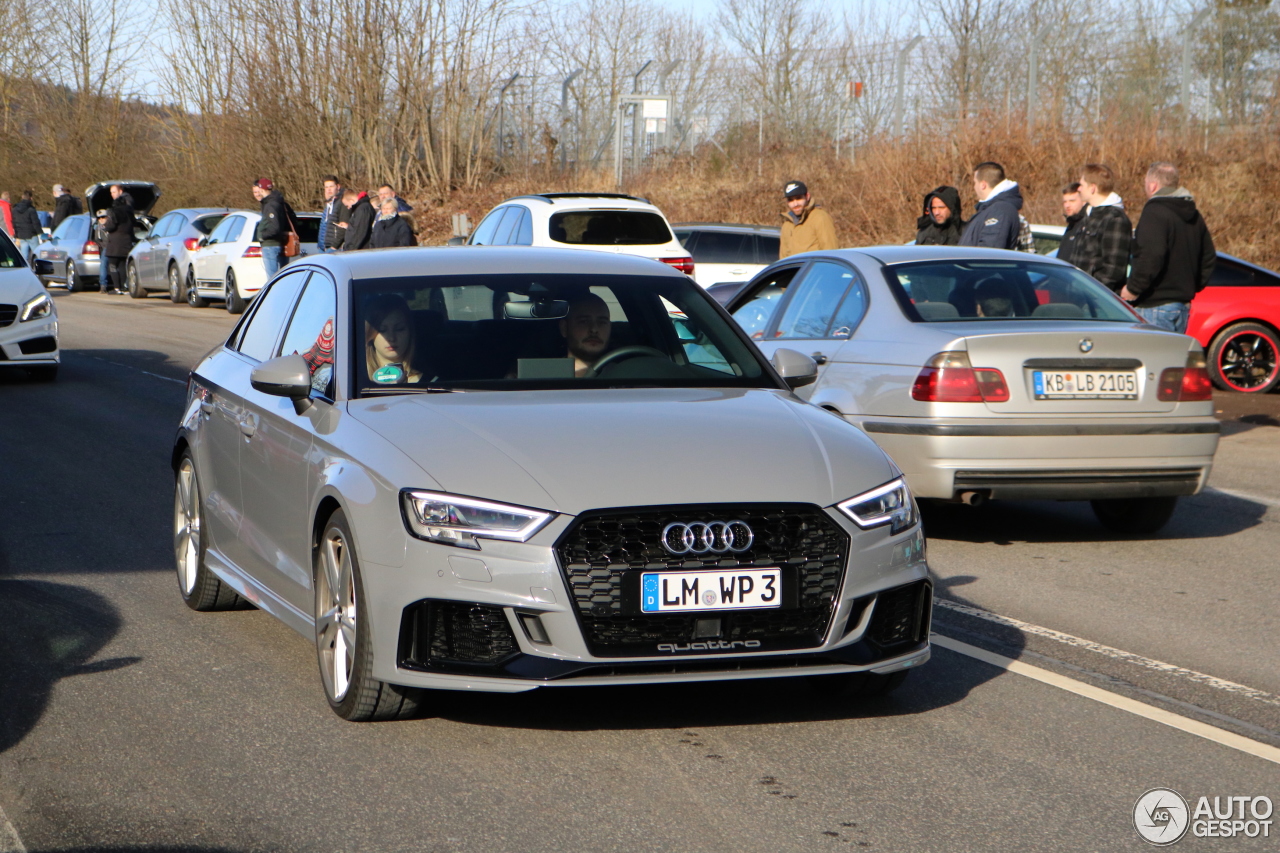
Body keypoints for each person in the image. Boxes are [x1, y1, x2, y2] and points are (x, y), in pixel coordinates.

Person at [1121, 162, 1216, 333]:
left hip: (1154, 305)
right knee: (1172, 358)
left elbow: (1151, 255)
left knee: (1154, 358)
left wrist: (1133, 289)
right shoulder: (1194, 215)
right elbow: (1208, 256)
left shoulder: (1155, 212)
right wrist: (1192, 286)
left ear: (1153, 185)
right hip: (1181, 305)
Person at [1070, 163, 1131, 293]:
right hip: (1077, 294)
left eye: (1081, 185)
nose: (1078, 189)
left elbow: (1113, 268)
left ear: (1093, 188)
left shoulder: (1115, 219)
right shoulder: (1086, 215)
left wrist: (1092, 291)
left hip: (1096, 299)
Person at [959, 162, 1024, 250]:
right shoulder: (991, 209)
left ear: (983, 185)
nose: (974, 187)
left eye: (975, 183)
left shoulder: (1000, 211)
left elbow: (989, 254)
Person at [364, 294, 422, 384]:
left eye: (399, 329)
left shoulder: (431, 384)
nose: (391, 338)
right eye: (382, 330)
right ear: (370, 333)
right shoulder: (353, 381)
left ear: (410, 332)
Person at [778, 180, 838, 258]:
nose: (795, 204)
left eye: (798, 198)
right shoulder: (787, 225)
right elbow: (783, 258)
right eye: (791, 200)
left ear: (807, 196)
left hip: (816, 269)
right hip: (796, 270)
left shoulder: (819, 217)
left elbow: (831, 251)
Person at [251, 178, 297, 277]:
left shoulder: (271, 204)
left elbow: (274, 227)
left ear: (262, 190)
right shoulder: (277, 201)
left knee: (272, 279)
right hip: (278, 243)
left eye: (258, 190)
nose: (258, 193)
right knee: (282, 277)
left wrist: (261, 236)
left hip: (270, 245)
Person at [560, 293, 613, 376]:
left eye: (602, 322)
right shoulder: (547, 375)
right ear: (564, 328)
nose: (594, 329)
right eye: (584, 321)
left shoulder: (626, 374)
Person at [103, 185, 135, 294]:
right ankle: (123, 287)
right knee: (122, 265)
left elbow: (111, 226)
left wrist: (105, 226)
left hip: (115, 241)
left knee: (113, 265)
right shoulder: (130, 212)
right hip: (126, 240)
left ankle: (117, 288)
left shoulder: (114, 211)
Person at [1056, 182, 1086, 265]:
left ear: (1083, 201)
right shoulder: (1071, 225)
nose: (1067, 205)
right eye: (1065, 202)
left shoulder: (1087, 224)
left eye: (1072, 201)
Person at [11, 190, 43, 256]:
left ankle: (25, 266)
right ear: (31, 198)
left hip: (21, 234)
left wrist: (16, 234)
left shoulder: (15, 209)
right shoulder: (31, 209)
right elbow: (36, 223)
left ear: (22, 197)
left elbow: (14, 222)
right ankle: (38, 265)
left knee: (24, 256)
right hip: (31, 234)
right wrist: (41, 233)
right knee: (37, 254)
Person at [318, 175, 343, 253]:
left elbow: (343, 227)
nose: (328, 190)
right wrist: (320, 245)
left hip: (333, 248)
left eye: (331, 186)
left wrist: (334, 246)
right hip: (322, 247)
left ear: (338, 187)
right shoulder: (328, 204)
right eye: (326, 187)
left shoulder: (342, 203)